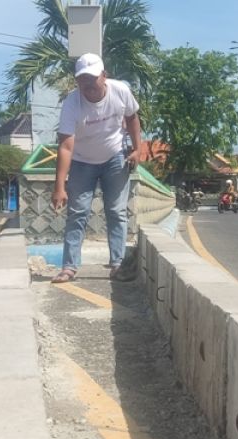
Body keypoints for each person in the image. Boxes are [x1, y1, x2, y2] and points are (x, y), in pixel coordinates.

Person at [50, 53, 142, 283]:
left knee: (116, 211)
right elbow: (66, 146)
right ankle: (69, 267)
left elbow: (132, 118)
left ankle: (118, 264)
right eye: (82, 80)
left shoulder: (120, 91)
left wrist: (138, 149)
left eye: (92, 78)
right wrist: (59, 186)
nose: (88, 85)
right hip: (82, 161)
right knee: (77, 213)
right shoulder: (72, 103)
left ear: (104, 76)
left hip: (114, 157)